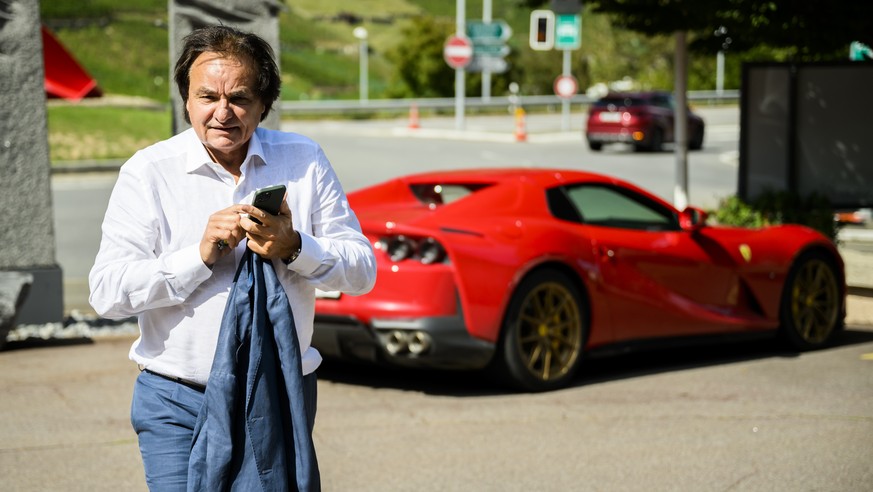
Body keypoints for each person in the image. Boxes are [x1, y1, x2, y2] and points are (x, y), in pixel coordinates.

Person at [88, 25, 376, 489]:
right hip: (177, 400)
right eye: (207, 97)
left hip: (280, 394)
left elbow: (362, 271)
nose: (223, 112)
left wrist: (295, 247)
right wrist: (198, 258)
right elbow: (106, 293)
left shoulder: (304, 159)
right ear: (186, 99)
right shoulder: (148, 172)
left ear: (265, 103)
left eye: (239, 97)